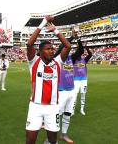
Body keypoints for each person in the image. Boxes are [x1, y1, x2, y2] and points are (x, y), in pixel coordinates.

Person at [25, 16, 71, 144]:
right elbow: (29, 44)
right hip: (35, 106)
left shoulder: (57, 62)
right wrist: (43, 22)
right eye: (48, 49)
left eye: (52, 49)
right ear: (40, 51)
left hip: (53, 107)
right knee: (30, 139)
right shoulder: (34, 62)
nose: (51, 51)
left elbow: (68, 46)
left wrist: (55, 30)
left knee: (52, 140)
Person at [53, 29, 83, 144]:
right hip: (61, 91)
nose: (68, 51)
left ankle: (64, 135)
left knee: (68, 114)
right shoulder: (57, 59)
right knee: (57, 116)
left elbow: (80, 51)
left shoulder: (72, 58)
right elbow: (62, 47)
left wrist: (78, 38)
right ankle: (51, 138)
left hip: (71, 90)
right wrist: (71, 37)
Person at [73, 46, 92, 115]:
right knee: (74, 96)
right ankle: (72, 110)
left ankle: (82, 109)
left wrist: (87, 49)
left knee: (83, 95)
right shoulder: (73, 60)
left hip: (84, 80)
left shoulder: (84, 59)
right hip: (75, 80)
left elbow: (90, 55)